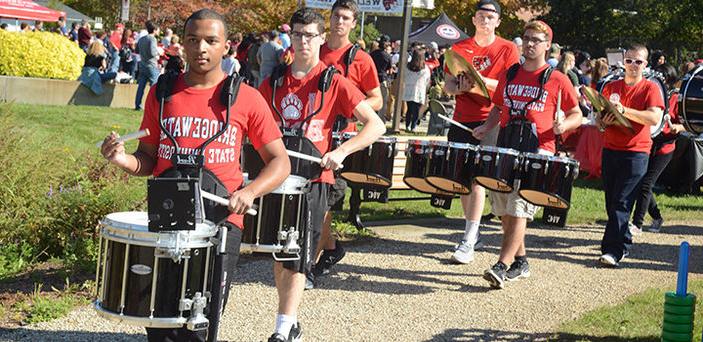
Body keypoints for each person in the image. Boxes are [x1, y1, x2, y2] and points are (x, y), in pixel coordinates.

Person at [99, 9, 290, 342]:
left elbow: (279, 162)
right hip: (167, 216)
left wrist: (250, 191)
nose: (201, 47)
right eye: (193, 39)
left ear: (226, 46)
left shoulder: (245, 97)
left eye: (210, 41)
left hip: (220, 224)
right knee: (159, 321)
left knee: (199, 325)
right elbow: (147, 159)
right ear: (182, 45)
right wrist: (121, 159)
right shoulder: (162, 92)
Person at [257, 8, 385, 342]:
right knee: (279, 252)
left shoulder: (333, 81)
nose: (303, 41)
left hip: (314, 180)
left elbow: (376, 124)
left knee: (298, 254)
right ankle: (290, 322)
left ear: (320, 38)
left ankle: (283, 327)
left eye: (310, 35)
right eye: (297, 34)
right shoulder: (274, 83)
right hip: (279, 178)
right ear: (291, 38)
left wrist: (341, 151)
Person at [472, 20, 582, 288]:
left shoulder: (557, 79)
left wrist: (563, 125)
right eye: (527, 38)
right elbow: (499, 106)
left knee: (520, 208)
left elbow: (577, 114)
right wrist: (487, 126)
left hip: (538, 152)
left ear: (547, 46)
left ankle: (502, 264)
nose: (530, 44)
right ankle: (521, 262)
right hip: (507, 147)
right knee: (504, 211)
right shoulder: (510, 74)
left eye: (536, 40)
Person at [312, 0, 384, 289]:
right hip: (314, 133)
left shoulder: (361, 59)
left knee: (323, 199)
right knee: (318, 199)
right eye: (335, 16)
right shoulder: (315, 49)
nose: (339, 22)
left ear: (354, 23)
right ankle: (331, 249)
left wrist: (350, 106)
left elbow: (378, 99)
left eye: (345, 18)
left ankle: (313, 260)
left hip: (344, 137)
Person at [443, 0, 520, 264]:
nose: (485, 20)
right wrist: (461, 87)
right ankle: (472, 233)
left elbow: (508, 86)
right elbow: (448, 86)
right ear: (473, 20)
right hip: (461, 119)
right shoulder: (459, 48)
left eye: (490, 17)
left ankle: (469, 240)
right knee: (463, 181)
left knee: (477, 179)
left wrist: (478, 80)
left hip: (492, 120)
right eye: (481, 16)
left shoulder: (508, 49)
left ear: (498, 22)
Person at [596, 43, 665, 267]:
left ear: (645, 65)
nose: (633, 65)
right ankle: (624, 243)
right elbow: (599, 120)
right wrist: (603, 123)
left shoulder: (651, 88)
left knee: (621, 202)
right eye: (629, 61)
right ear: (623, 62)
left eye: (638, 62)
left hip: (637, 152)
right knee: (611, 202)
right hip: (611, 149)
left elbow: (654, 118)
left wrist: (625, 111)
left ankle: (612, 251)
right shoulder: (611, 86)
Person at [630, 63, 685, 234]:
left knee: (646, 183)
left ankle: (637, 223)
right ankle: (657, 216)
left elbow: (688, 124)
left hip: (665, 148)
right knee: (640, 182)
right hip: (648, 143)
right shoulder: (651, 93)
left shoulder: (677, 98)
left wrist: (679, 128)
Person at [134, 21, 162, 111]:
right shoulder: (152, 39)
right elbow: (153, 52)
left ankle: (138, 105)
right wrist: (159, 52)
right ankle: (153, 106)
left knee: (141, 86)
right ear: (154, 30)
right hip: (151, 65)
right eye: (158, 30)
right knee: (154, 87)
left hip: (142, 65)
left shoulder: (142, 39)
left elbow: (137, 50)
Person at [403, 47, 431, 132]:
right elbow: (427, 80)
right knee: (416, 110)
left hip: (408, 89)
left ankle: (407, 125)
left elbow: (404, 76)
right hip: (419, 90)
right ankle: (413, 126)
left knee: (409, 109)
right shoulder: (425, 69)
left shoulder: (408, 66)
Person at [370, 38, 393, 121]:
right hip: (382, 78)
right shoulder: (387, 56)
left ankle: (370, 118)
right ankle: (380, 120)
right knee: (382, 101)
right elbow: (389, 69)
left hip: (372, 79)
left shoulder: (372, 54)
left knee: (372, 99)